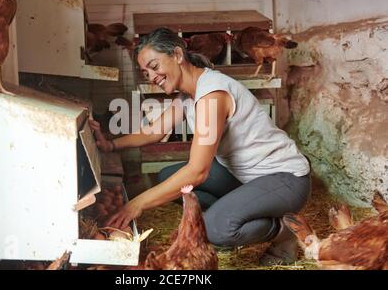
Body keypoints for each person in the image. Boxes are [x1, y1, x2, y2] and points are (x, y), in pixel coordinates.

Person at [89, 28, 311, 266]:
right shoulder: (188, 95)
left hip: (285, 179)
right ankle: (236, 212)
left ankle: (283, 231)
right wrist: (110, 145)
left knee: (215, 229)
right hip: (246, 175)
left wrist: (136, 204)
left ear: (176, 54)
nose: (151, 76)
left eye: (154, 66)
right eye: (146, 72)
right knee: (169, 176)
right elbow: (153, 131)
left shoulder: (212, 94)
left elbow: (198, 171)